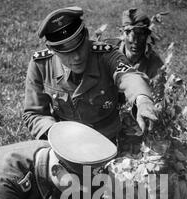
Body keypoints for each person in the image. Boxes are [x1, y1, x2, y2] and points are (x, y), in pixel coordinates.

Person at [23, 6, 158, 144]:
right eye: (67, 52)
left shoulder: (107, 55)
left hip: (107, 141)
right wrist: (57, 134)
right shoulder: (40, 65)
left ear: (86, 35)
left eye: (80, 46)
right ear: (51, 49)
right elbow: (34, 113)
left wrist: (142, 99)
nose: (76, 57)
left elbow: (129, 76)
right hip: (64, 143)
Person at [118, 8, 164, 79]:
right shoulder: (108, 53)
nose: (136, 42)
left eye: (140, 35)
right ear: (123, 35)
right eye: (130, 35)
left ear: (146, 37)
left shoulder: (155, 64)